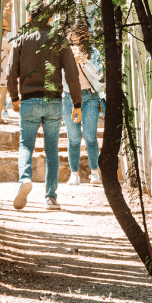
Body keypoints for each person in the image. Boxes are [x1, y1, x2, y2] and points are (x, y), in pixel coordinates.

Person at [7, 11, 83, 211]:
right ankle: (50, 197)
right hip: (53, 102)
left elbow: (10, 74)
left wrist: (14, 98)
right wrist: (77, 103)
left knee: (25, 146)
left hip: (29, 101)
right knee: (51, 150)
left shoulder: (21, 40)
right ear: (50, 19)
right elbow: (72, 74)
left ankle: (25, 179)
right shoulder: (60, 41)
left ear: (29, 19)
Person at [63, 24, 104, 185]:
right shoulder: (65, 53)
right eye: (73, 37)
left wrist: (86, 62)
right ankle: (74, 173)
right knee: (73, 138)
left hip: (90, 97)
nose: (76, 40)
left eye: (80, 36)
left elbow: (100, 75)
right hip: (69, 98)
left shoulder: (94, 53)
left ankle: (94, 172)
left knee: (90, 136)